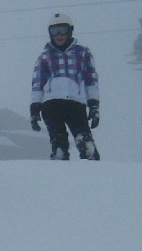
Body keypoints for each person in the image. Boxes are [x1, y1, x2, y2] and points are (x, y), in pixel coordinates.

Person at [30, 13, 100, 160]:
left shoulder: (82, 53)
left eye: (63, 29)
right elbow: (37, 84)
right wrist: (35, 107)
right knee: (59, 144)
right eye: (54, 31)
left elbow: (91, 80)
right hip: (51, 104)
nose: (59, 35)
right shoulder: (45, 57)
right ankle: (61, 174)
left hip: (75, 104)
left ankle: (93, 174)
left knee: (86, 143)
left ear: (70, 31)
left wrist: (93, 105)